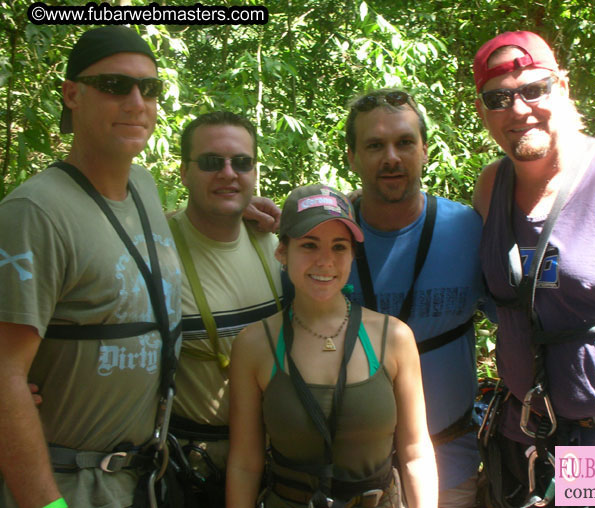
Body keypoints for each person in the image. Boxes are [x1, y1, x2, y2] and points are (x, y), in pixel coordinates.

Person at [472, 30, 595, 507]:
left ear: (561, 88)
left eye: (533, 89)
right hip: (525, 439)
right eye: (498, 97)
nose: (518, 108)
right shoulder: (491, 187)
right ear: (482, 111)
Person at [0, 26, 182, 508]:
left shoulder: (144, 186)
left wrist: (240, 210)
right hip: (68, 486)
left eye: (151, 87)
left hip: (143, 480)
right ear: (72, 94)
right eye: (115, 86)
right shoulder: (34, 213)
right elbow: (3, 372)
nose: (137, 101)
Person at [227, 184, 438, 507]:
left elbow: (416, 452)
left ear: (353, 254)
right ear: (282, 251)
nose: (325, 261)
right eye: (309, 245)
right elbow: (244, 463)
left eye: (339, 247)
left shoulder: (393, 338)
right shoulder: (255, 345)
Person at [344, 88, 489, 507]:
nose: (391, 157)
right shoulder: (326, 240)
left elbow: (523, 327)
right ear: (352, 157)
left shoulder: (468, 230)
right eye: (374, 145)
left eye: (405, 142)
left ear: (425, 150)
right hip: (350, 476)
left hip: (450, 470)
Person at [167, 110, 285, 507]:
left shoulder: (277, 248)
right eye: (211, 162)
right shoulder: (155, 251)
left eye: (242, 162)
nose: (228, 173)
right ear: (184, 172)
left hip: (278, 464)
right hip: (196, 469)